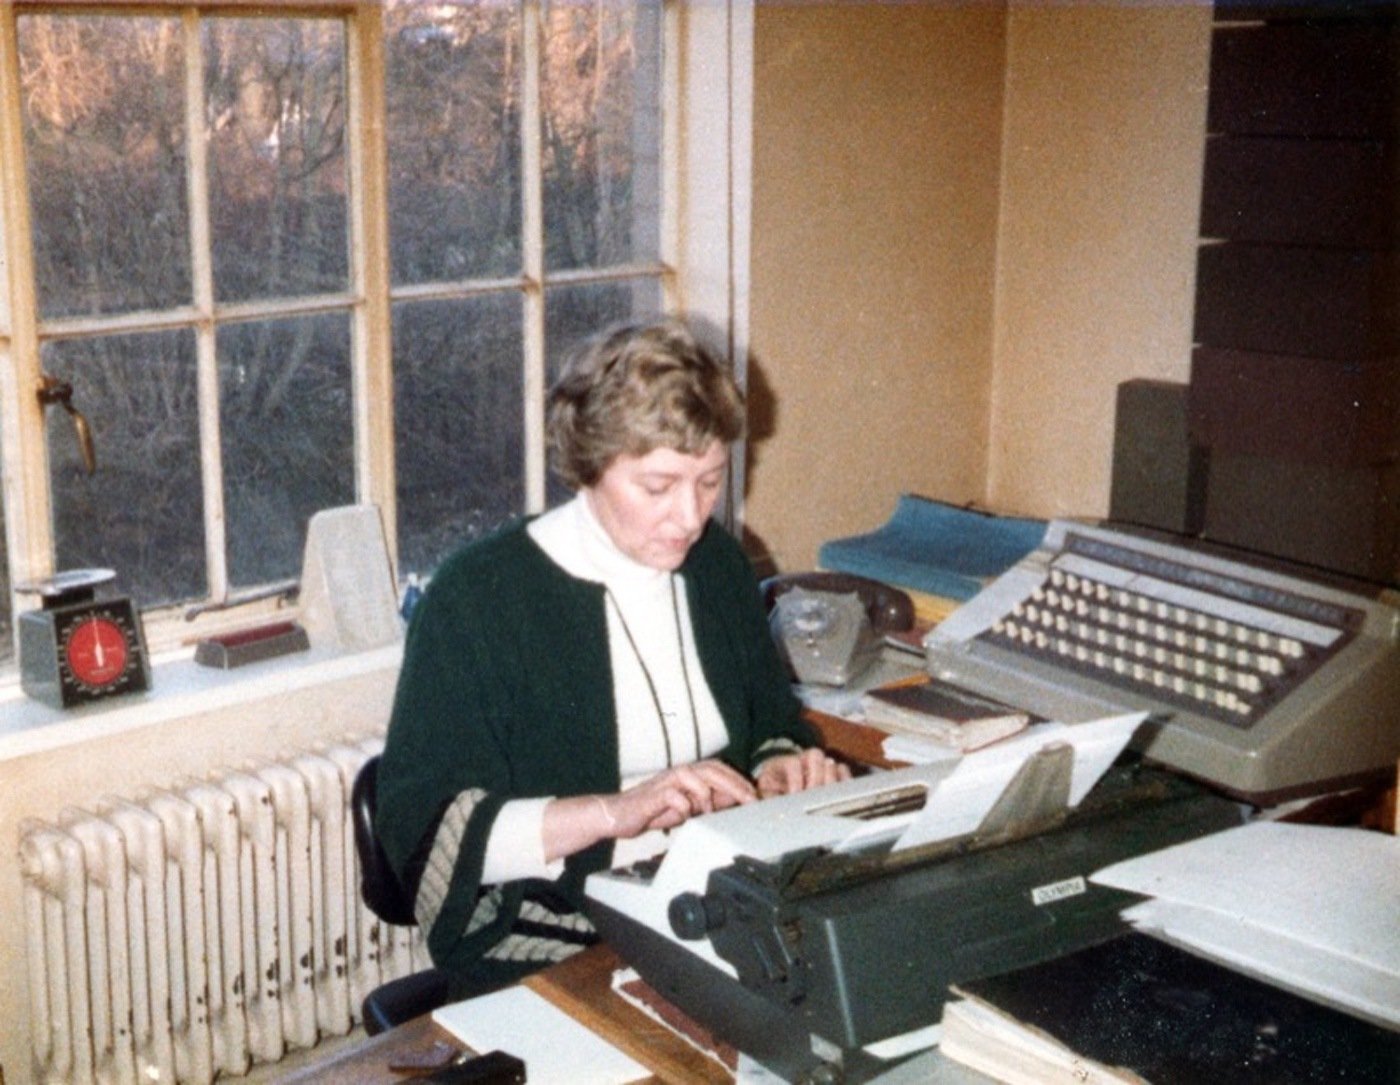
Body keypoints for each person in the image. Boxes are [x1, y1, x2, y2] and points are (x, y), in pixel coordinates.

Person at [376, 315, 849, 997]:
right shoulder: (479, 597)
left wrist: (779, 765)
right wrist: (614, 811)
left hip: (714, 909)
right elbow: (421, 827)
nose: (689, 516)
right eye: (658, 487)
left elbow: (771, 716)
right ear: (588, 467)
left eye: (710, 481)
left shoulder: (715, 564)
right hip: (552, 937)